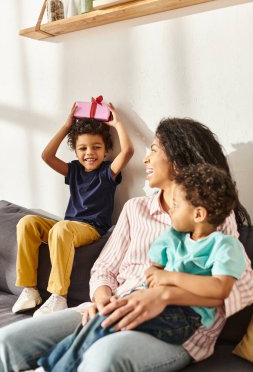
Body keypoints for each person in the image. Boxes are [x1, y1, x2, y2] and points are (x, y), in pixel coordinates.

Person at [0, 118, 252, 372]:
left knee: (103, 357)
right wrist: (102, 299)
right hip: (117, 305)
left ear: (177, 162)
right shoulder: (135, 209)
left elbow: (237, 286)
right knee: (7, 342)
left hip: (178, 328)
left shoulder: (210, 216)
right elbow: (104, 270)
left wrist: (162, 296)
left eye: (154, 150)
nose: (145, 159)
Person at [12, 102, 134, 317]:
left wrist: (118, 123)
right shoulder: (75, 170)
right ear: (76, 151)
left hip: (91, 228)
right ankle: (29, 289)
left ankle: (59, 296)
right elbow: (46, 156)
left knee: (62, 229)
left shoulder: (107, 172)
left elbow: (128, 151)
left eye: (96, 147)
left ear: (106, 151)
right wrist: (67, 125)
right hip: (67, 227)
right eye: (83, 148)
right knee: (27, 222)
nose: (89, 153)